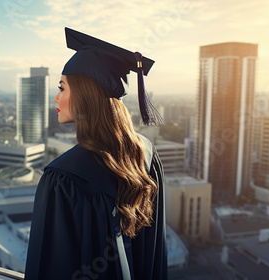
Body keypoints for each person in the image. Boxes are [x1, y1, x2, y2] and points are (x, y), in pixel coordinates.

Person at [24, 27, 167, 280]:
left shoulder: (63, 177)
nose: (56, 98)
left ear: (84, 96)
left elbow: (50, 267)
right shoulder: (145, 152)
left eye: (62, 88)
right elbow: (155, 253)